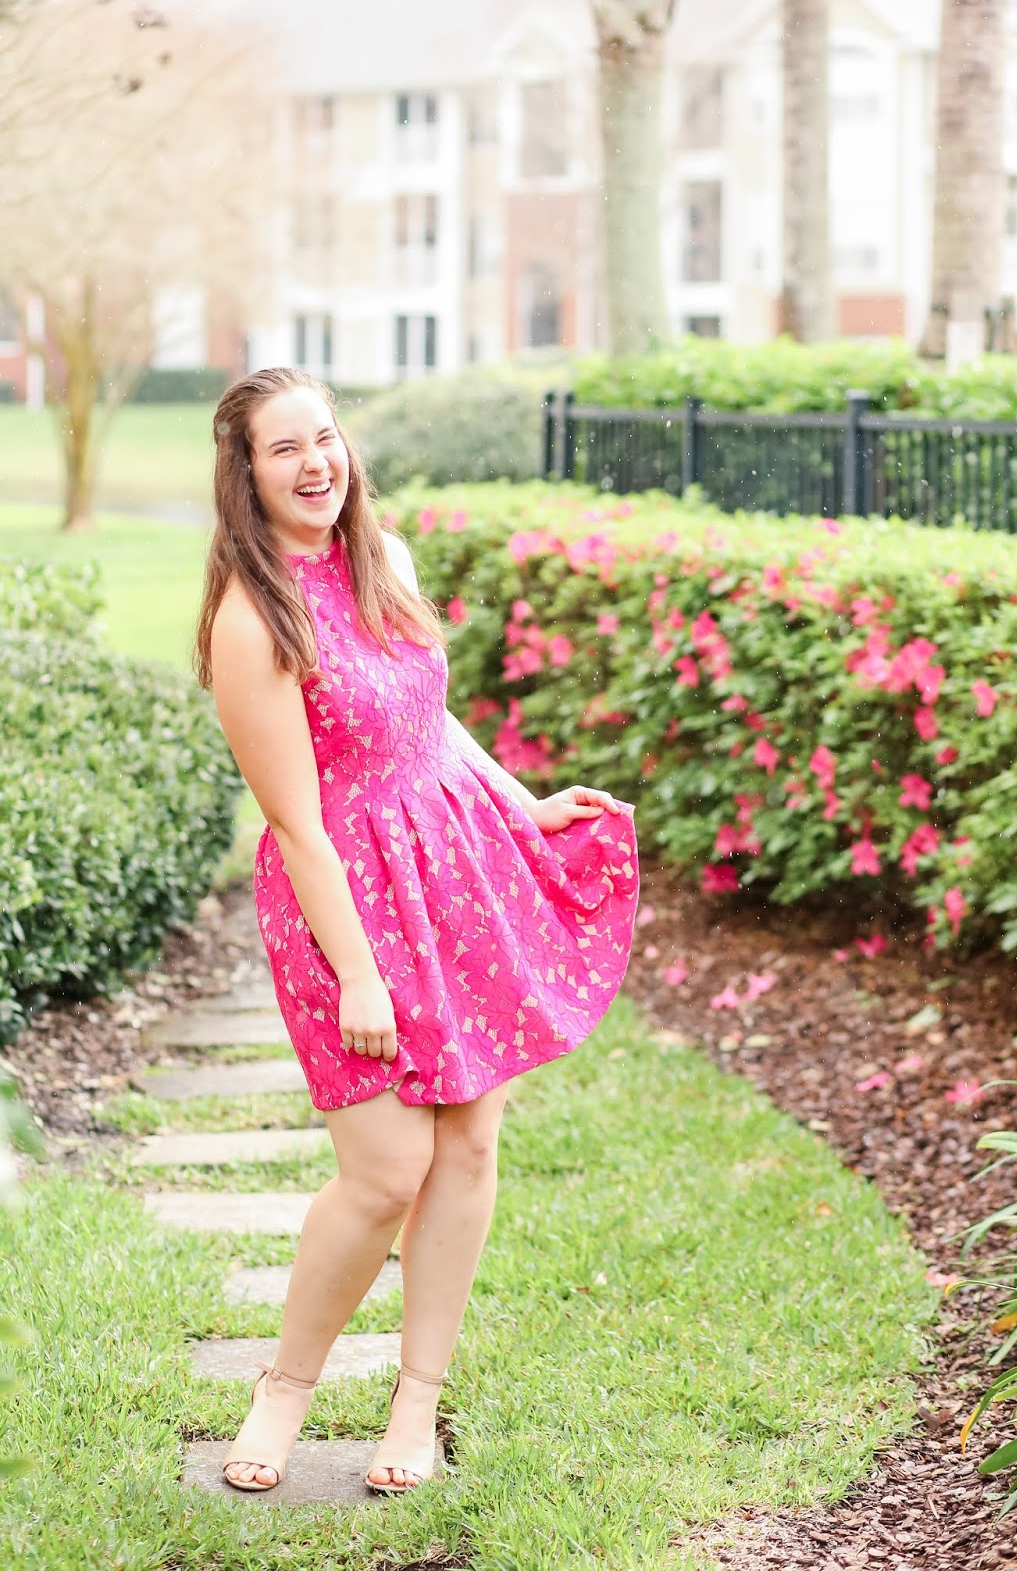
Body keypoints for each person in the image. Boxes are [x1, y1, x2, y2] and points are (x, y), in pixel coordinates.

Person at [193, 366, 639, 1496]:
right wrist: (357, 973)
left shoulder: (381, 558)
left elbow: (427, 719)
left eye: (325, 437)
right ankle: (284, 1387)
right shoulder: (253, 618)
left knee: (470, 1144)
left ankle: (416, 1398)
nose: (316, 464)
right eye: (284, 449)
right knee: (387, 1169)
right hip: (344, 895)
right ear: (246, 475)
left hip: (453, 865)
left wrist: (523, 805)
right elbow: (295, 823)